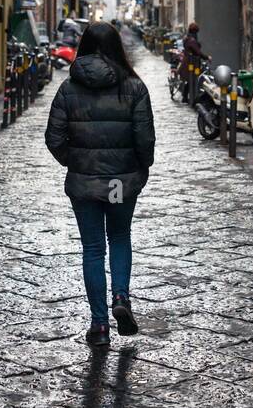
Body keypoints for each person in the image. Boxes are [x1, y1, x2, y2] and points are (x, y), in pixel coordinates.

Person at [45, 21, 155, 349]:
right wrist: (139, 167)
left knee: (93, 248)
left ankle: (99, 325)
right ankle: (121, 295)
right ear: (117, 48)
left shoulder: (69, 88)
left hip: (85, 180)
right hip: (121, 181)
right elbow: (145, 138)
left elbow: (54, 137)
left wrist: (75, 162)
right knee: (119, 236)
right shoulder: (134, 87)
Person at [177, 22, 206, 102]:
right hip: (191, 63)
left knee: (190, 80)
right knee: (192, 80)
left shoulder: (188, 37)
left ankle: (186, 97)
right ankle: (189, 98)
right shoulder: (191, 40)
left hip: (189, 62)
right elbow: (197, 51)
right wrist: (206, 57)